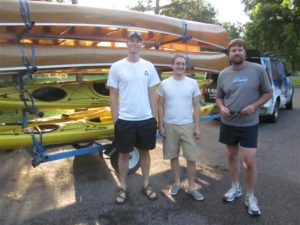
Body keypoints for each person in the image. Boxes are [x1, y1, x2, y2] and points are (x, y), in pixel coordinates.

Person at [216, 39, 272, 216]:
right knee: (231, 155)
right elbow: (219, 96)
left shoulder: (258, 70)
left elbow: (268, 92)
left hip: (249, 123)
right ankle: (235, 187)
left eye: (240, 50)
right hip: (229, 122)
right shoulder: (223, 74)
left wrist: (254, 106)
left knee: (249, 160)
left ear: (245, 53)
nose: (237, 53)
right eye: (233, 50)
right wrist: (221, 107)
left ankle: (250, 196)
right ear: (229, 54)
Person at [107, 31, 161, 204]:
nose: (135, 44)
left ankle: (146, 184)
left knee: (145, 152)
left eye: (138, 41)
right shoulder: (116, 67)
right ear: (127, 43)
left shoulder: (149, 66)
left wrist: (155, 118)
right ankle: (123, 186)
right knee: (123, 154)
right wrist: (116, 119)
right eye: (132, 40)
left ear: (141, 44)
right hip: (125, 119)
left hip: (146, 119)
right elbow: (113, 94)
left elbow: (153, 93)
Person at [158, 54, 204, 201]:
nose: (180, 66)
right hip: (169, 124)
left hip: (187, 125)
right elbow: (160, 105)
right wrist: (160, 125)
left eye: (183, 64)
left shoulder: (192, 83)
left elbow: (196, 106)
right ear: (172, 66)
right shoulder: (164, 83)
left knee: (191, 158)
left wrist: (197, 127)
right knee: (173, 156)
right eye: (177, 63)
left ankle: (191, 187)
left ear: (186, 67)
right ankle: (177, 183)